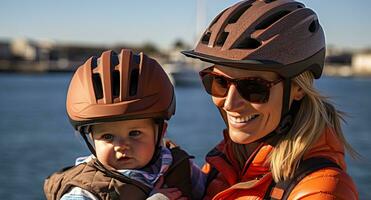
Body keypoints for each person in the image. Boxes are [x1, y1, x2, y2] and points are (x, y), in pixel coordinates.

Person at [182, 0, 359, 199]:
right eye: (219, 82)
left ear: (298, 88)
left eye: (253, 87)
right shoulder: (225, 160)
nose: (230, 103)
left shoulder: (322, 190)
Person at [44, 49, 205, 200]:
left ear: (161, 131)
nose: (121, 146)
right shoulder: (85, 190)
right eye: (107, 136)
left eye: (135, 133)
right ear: (92, 138)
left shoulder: (178, 164)